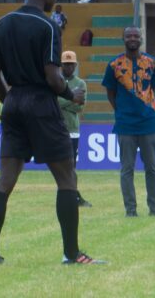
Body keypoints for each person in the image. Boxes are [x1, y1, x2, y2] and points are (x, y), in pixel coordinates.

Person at [0, 0, 101, 265]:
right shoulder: (48, 27)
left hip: (13, 102)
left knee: (5, 180)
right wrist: (69, 94)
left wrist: (7, 101)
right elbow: (53, 77)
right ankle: (71, 254)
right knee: (66, 178)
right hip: (41, 103)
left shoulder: (1, 23)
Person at [102, 26, 155, 217]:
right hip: (125, 124)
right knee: (127, 169)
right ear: (123, 39)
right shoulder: (114, 65)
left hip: (149, 123)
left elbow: (153, 87)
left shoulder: (152, 63)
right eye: (129, 36)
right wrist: (121, 111)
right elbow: (110, 93)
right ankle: (131, 209)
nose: (133, 38)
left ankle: (154, 208)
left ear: (141, 38)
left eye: (136, 35)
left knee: (152, 168)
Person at [57, 51, 92, 207]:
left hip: (72, 130)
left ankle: (72, 196)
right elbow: (53, 103)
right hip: (56, 129)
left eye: (71, 64)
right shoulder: (54, 81)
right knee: (61, 166)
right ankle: (72, 195)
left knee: (71, 166)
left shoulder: (81, 83)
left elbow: (80, 107)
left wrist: (61, 100)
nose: (69, 67)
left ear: (75, 65)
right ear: (61, 65)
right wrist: (71, 98)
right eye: (66, 64)